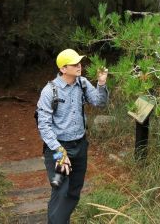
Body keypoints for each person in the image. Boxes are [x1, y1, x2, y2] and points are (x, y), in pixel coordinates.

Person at [36, 48, 108, 224]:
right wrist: (60, 152)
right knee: (61, 189)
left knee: (74, 191)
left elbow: (100, 102)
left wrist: (101, 83)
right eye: (74, 64)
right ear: (63, 68)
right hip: (58, 149)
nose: (79, 66)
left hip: (80, 146)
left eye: (79, 63)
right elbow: (43, 126)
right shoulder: (49, 91)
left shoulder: (82, 83)